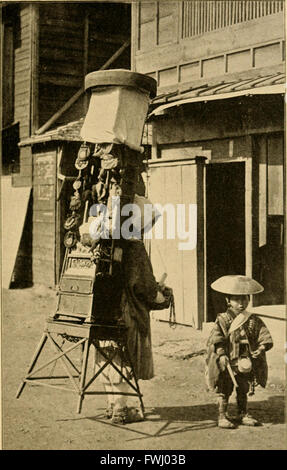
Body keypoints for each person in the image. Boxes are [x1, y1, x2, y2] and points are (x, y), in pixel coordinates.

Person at [95, 238, 166, 424]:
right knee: (125, 358)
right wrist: (161, 295)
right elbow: (143, 285)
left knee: (107, 354)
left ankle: (111, 405)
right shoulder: (134, 246)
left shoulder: (100, 240)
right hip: (126, 310)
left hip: (101, 309)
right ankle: (121, 410)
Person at [205, 275, 273, 429]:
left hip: (245, 360)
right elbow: (216, 338)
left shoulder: (253, 320)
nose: (241, 303)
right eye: (237, 299)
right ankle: (222, 415)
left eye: (244, 299)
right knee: (225, 388)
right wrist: (221, 354)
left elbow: (263, 334)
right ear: (228, 301)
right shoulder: (223, 319)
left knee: (243, 387)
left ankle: (242, 413)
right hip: (228, 360)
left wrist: (261, 348)